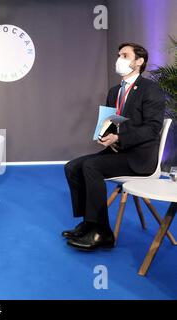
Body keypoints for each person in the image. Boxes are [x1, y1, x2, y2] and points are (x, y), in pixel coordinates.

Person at [63, 43, 165, 250]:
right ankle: (88, 223)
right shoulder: (114, 91)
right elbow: (110, 122)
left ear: (139, 61)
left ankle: (103, 232)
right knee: (72, 166)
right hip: (118, 152)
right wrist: (104, 135)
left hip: (140, 157)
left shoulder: (151, 90)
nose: (119, 59)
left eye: (125, 55)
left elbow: (153, 129)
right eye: (119, 55)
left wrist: (118, 138)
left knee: (91, 167)